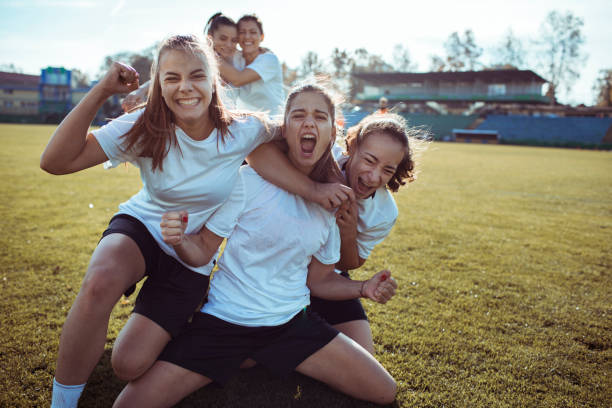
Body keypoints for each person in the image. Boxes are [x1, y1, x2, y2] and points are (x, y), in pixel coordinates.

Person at [40, 35, 350, 408]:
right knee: (99, 281)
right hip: (143, 227)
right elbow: (56, 162)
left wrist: (329, 187)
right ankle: (62, 403)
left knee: (129, 364)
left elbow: (292, 136)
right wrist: (101, 89)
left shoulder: (241, 130)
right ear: (158, 85)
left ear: (214, 81)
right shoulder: (142, 125)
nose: (185, 87)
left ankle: (188, 319)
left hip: (193, 254)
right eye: (171, 78)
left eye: (196, 76)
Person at [112, 83, 398, 407]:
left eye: (319, 117)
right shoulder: (247, 181)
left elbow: (319, 280)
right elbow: (204, 250)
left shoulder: (333, 200)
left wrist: (364, 288)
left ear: (332, 132)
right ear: (283, 129)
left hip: (292, 325)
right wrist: (179, 241)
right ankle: (244, 355)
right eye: (298, 115)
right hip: (223, 323)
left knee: (383, 390)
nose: (308, 123)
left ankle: (261, 356)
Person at [249, 112, 426, 354]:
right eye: (369, 160)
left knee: (365, 357)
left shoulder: (384, 212)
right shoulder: (323, 156)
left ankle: (298, 335)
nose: (374, 177)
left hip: (327, 280)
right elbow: (257, 149)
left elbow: (349, 264)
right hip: (281, 269)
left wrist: (348, 232)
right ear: (352, 147)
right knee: (253, 348)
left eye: (387, 170)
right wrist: (313, 190)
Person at [121, 12, 239, 112]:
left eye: (234, 40)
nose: (228, 44)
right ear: (210, 38)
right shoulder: (202, 59)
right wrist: (140, 91)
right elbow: (167, 75)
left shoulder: (239, 59)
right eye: (223, 39)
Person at [217, 14, 284, 116]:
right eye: (242, 32)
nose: (247, 36)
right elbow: (220, 49)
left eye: (253, 32)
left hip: (273, 121)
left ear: (261, 37)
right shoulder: (236, 57)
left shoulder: (269, 59)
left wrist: (208, 54)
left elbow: (238, 79)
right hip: (248, 124)